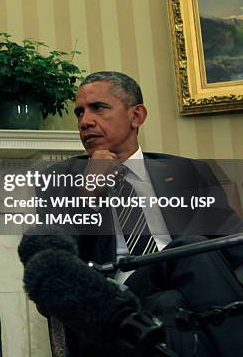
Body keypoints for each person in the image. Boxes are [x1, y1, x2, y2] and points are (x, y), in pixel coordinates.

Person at [45, 71, 243, 357]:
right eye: (80, 113)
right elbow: (53, 262)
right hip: (113, 306)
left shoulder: (187, 172)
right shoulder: (60, 179)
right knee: (188, 248)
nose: (85, 121)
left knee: (169, 301)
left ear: (136, 116)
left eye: (98, 108)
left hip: (180, 300)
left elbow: (234, 247)